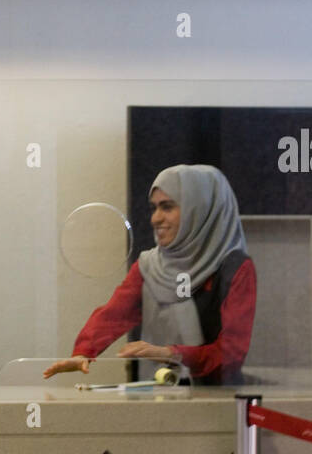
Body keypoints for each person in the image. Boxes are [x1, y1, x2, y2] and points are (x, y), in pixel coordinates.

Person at [44, 164, 256, 386]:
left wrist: (171, 353)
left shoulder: (235, 269)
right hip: (164, 395)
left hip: (221, 401)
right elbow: (114, 315)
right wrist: (83, 353)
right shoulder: (150, 265)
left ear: (198, 209)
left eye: (167, 207)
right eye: (154, 208)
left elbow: (231, 354)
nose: (155, 219)